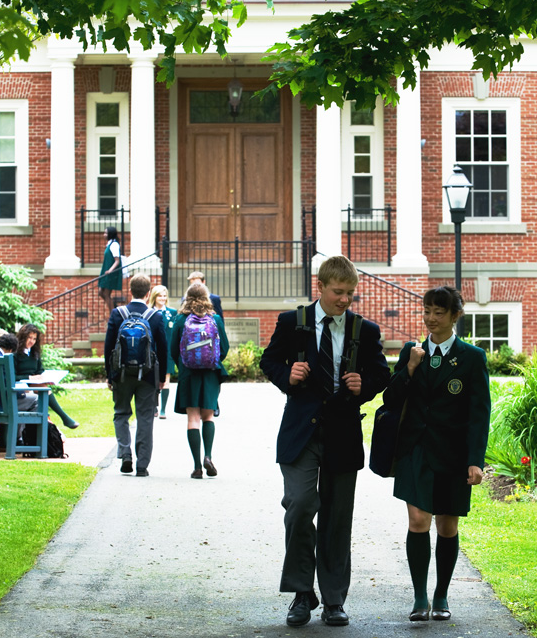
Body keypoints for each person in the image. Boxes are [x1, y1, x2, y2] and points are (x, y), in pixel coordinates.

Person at [259, 255, 390, 628]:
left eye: (350, 293)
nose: (344, 299)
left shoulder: (363, 330)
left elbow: (381, 374)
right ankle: (302, 593)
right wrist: (289, 375)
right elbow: (268, 362)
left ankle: (334, 599)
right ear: (320, 287)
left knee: (337, 520)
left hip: (342, 434)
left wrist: (363, 385)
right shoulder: (292, 322)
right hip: (300, 434)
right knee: (299, 506)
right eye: (338, 292)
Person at [382, 285, 490, 623]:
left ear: (455, 315)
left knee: (446, 526)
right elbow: (390, 399)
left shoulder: (472, 358)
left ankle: (441, 593)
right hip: (416, 451)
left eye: (438, 312)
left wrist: (475, 459)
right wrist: (410, 368)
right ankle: (419, 596)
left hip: (454, 455)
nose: (431, 318)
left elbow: (479, 414)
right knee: (418, 521)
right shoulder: (411, 352)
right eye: (427, 310)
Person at [104, 273, 168, 477]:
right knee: (145, 418)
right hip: (148, 375)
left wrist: (109, 375)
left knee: (121, 413)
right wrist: (161, 378)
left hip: (121, 374)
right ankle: (142, 465)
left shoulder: (117, 313)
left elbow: (108, 347)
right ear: (149, 293)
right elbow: (163, 349)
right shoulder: (155, 316)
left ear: (130, 291)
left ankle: (125, 454)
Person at [170, 282, 229, 479]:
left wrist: (185, 364)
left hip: (189, 374)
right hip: (210, 373)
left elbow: (173, 349)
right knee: (208, 417)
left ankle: (196, 467)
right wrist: (212, 361)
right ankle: (208, 456)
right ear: (207, 297)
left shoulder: (180, 319)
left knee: (193, 419)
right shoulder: (216, 319)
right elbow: (225, 348)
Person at [14, 323, 79, 430]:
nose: (31, 341)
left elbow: (40, 370)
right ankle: (63, 417)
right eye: (29, 337)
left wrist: (44, 377)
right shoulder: (15, 354)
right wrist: (30, 377)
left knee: (43, 386)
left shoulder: (34, 353)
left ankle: (53, 421)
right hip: (20, 385)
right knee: (43, 388)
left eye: (34, 339)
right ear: (23, 337)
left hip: (34, 385)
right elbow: (13, 375)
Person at [146, 284, 178, 420]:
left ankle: (163, 409)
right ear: (154, 296)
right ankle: (154, 407)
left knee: (166, 381)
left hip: (167, 352)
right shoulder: (148, 312)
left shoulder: (173, 313)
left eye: (165, 295)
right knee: (153, 380)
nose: (163, 298)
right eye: (160, 295)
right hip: (152, 351)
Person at [98, 226, 122, 310]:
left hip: (111, 272)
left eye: (106, 233)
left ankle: (113, 314)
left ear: (110, 234)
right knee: (101, 292)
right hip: (106, 271)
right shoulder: (109, 244)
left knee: (106, 293)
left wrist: (110, 270)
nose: (104, 235)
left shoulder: (114, 245)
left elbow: (117, 260)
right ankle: (115, 308)